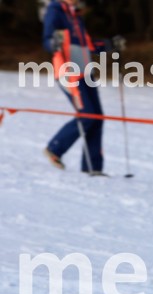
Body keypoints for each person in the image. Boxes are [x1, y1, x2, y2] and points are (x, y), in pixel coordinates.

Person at [42, 0, 124, 175]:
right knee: (87, 115)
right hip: (68, 71)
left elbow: (88, 44)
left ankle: (92, 167)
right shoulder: (55, 11)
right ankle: (54, 149)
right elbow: (47, 40)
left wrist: (110, 45)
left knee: (97, 117)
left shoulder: (76, 15)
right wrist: (54, 42)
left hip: (85, 71)